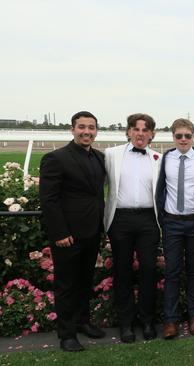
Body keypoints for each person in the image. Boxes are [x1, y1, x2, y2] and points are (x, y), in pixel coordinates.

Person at [39, 111, 107, 352]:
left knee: (85, 282)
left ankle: (83, 322)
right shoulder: (55, 158)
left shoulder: (99, 157)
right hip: (67, 236)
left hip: (92, 232)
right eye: (82, 127)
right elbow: (49, 200)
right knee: (66, 285)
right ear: (72, 129)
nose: (86, 131)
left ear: (96, 131)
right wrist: (59, 233)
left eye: (91, 127)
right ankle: (66, 335)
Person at [104, 113, 161, 342]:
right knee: (122, 271)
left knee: (149, 270)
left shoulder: (159, 157)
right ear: (128, 132)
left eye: (145, 130)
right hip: (121, 220)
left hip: (149, 220)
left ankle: (147, 321)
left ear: (152, 134)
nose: (140, 133)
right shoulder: (111, 155)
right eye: (136, 129)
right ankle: (126, 323)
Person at [156, 118, 194, 339]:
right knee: (172, 272)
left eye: (187, 136)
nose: (183, 140)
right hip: (171, 223)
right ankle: (170, 320)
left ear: (193, 136)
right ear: (173, 137)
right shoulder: (164, 159)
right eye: (179, 136)